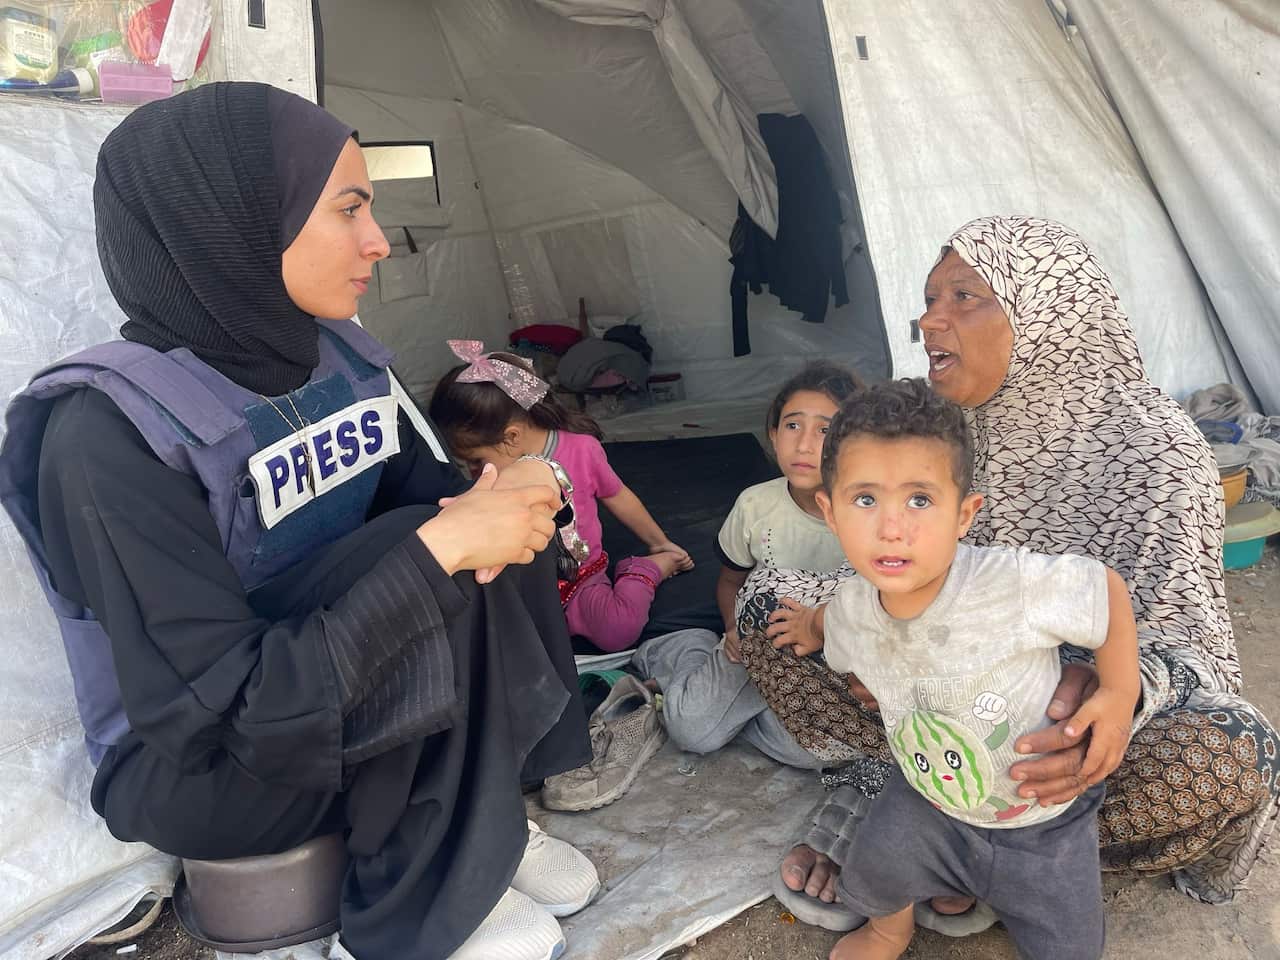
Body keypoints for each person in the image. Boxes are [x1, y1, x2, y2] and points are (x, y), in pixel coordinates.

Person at [0, 82, 598, 960]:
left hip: (325, 691)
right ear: (229, 223)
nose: (377, 243)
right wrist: (436, 548)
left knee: (486, 518)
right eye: (347, 209)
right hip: (206, 767)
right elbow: (224, 713)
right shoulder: (107, 437)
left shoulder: (335, 355)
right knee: (428, 549)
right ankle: (412, 895)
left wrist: (505, 493)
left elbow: (429, 503)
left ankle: (482, 812)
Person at [761, 216, 1280, 933]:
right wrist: (888, 640)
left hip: (1060, 744)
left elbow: (1197, 647)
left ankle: (1003, 850)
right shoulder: (946, 430)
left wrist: (1114, 697)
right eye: (929, 298)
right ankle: (903, 797)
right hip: (935, 710)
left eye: (964, 296)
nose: (929, 318)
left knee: (1231, 750)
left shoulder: (1155, 446)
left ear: (1049, 312)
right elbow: (893, 571)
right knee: (769, 602)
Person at [810, 378, 1138, 960]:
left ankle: (976, 888)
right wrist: (827, 641)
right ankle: (893, 930)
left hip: (1044, 819)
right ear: (829, 511)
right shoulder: (850, 613)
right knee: (876, 864)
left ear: (964, 515)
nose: (892, 526)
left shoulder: (1010, 583)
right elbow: (835, 642)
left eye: (919, 499)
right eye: (865, 499)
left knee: (1071, 947)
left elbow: (1105, 591)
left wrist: (1118, 693)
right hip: (928, 801)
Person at [633, 361, 860, 766]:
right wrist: (735, 630)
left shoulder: (872, 514)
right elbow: (729, 581)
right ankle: (687, 649)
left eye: (826, 430)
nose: (805, 444)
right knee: (692, 731)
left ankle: (737, 713)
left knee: (818, 752)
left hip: (831, 651)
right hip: (759, 642)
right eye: (792, 426)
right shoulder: (756, 505)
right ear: (773, 435)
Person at [429, 344, 692, 653]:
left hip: (581, 580)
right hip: (524, 586)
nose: (474, 471)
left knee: (617, 630)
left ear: (511, 437)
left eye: (475, 460)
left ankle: (645, 569)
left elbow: (618, 495)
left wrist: (658, 543)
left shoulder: (581, 451)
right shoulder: (490, 475)